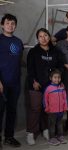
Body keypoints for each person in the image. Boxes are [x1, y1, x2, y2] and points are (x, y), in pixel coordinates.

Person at [26, 28, 63, 145]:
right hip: (36, 86)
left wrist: (57, 81)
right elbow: (30, 69)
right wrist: (34, 81)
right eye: (40, 36)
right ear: (38, 39)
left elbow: (60, 67)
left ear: (49, 36)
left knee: (48, 109)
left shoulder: (55, 51)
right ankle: (31, 133)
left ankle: (46, 129)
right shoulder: (33, 52)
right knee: (35, 109)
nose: (43, 38)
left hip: (51, 87)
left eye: (45, 35)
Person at [0, 14, 23, 148]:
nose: (10, 25)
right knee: (0, 110)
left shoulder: (18, 41)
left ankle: (9, 137)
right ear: (2, 25)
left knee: (12, 110)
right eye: (8, 23)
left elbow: (17, 61)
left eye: (13, 23)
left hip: (15, 82)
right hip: (2, 82)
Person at [43, 69, 68, 146]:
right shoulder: (48, 89)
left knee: (60, 124)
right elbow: (45, 99)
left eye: (59, 77)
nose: (57, 79)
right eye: (55, 77)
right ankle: (52, 138)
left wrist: (65, 107)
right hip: (52, 111)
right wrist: (47, 108)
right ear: (51, 78)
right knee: (52, 125)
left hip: (60, 111)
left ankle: (60, 136)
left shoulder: (62, 88)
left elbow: (65, 98)